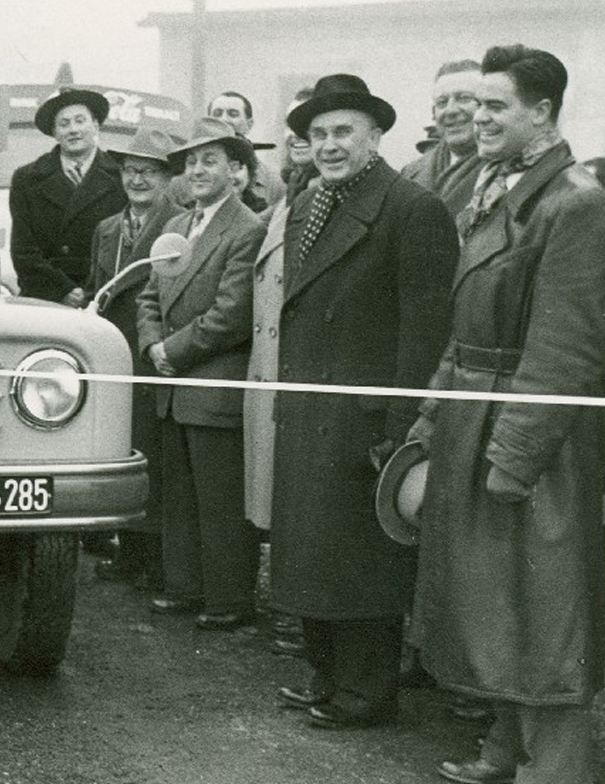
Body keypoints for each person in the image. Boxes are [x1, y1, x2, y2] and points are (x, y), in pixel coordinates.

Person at [410, 44, 605, 784]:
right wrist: (432, 415)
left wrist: (514, 459)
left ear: (543, 113)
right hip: (476, 421)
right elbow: (464, 330)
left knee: (546, 612)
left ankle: (555, 769)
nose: (478, 117)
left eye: (496, 106)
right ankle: (506, 745)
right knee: (495, 602)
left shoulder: (576, 203)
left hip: (536, 441)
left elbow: (566, 353)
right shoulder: (501, 188)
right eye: (476, 104)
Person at [269, 74, 458, 729]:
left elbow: (425, 332)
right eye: (318, 134)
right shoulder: (308, 203)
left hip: (364, 423)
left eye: (343, 132)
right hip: (308, 411)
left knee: (360, 563)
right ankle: (326, 675)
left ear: (375, 136)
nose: (329, 145)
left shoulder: (412, 209)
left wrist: (400, 430)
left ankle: (367, 691)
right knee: (312, 555)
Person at [137, 117, 266, 630]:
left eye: (209, 160)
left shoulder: (247, 229)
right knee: (180, 495)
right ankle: (185, 588)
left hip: (212, 386)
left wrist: (172, 351)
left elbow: (231, 314)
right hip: (174, 382)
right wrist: (152, 344)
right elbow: (149, 295)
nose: (196, 171)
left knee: (219, 501)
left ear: (236, 170)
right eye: (190, 162)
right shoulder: (176, 225)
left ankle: (228, 599)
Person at [87, 128, 181, 589]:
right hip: (115, 356)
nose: (137, 180)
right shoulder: (106, 229)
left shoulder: (179, 226)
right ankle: (129, 552)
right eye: (129, 170)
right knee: (121, 444)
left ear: (166, 178)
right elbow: (96, 289)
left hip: (153, 353)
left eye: (148, 171)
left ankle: (158, 560)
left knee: (157, 455)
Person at [244, 88, 317, 658]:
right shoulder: (291, 198)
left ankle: (302, 612)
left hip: (303, 366)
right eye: (295, 128)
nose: (300, 139)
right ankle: (293, 608)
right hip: (273, 365)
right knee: (283, 494)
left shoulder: (321, 199)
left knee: (304, 498)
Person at [10, 87, 125, 306]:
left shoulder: (121, 176)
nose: (73, 130)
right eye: (64, 124)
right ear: (54, 133)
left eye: (80, 121)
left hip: (104, 297)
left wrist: (91, 292)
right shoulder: (26, 179)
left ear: (96, 125)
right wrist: (62, 290)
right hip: (46, 297)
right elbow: (23, 252)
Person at [400, 60, 486, 217]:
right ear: (433, 113)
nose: (450, 110)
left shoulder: (507, 169)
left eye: (464, 98)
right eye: (442, 102)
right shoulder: (410, 174)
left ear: (487, 105)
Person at [209, 90, 284, 208]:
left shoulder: (272, 182)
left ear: (249, 124)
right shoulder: (187, 176)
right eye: (217, 113)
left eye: (233, 114)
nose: (223, 119)